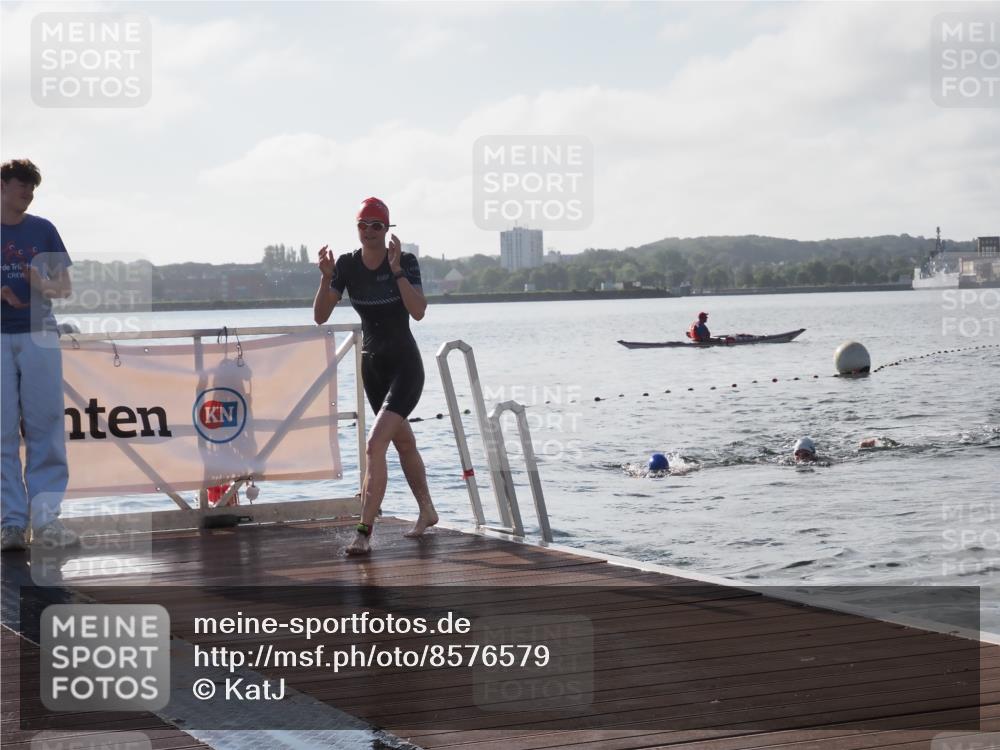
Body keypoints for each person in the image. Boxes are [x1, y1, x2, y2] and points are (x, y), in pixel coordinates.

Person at [313, 197, 437, 555]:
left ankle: (363, 532)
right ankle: (427, 510)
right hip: (372, 368)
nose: (369, 232)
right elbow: (321, 316)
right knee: (402, 442)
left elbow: (419, 312)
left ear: (387, 230)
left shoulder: (405, 262)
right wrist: (325, 279)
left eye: (376, 226)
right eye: (363, 225)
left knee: (373, 445)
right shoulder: (348, 266)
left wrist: (397, 271)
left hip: (404, 367)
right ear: (357, 228)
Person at [1, 158, 78, 551]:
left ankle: (47, 522)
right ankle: (11, 524)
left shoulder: (43, 230)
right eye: (21, 186)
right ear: (2, 186)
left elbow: (64, 288)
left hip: (39, 336)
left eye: (32, 188)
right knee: (1, 435)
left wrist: (39, 283)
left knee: (46, 428)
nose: (28, 194)